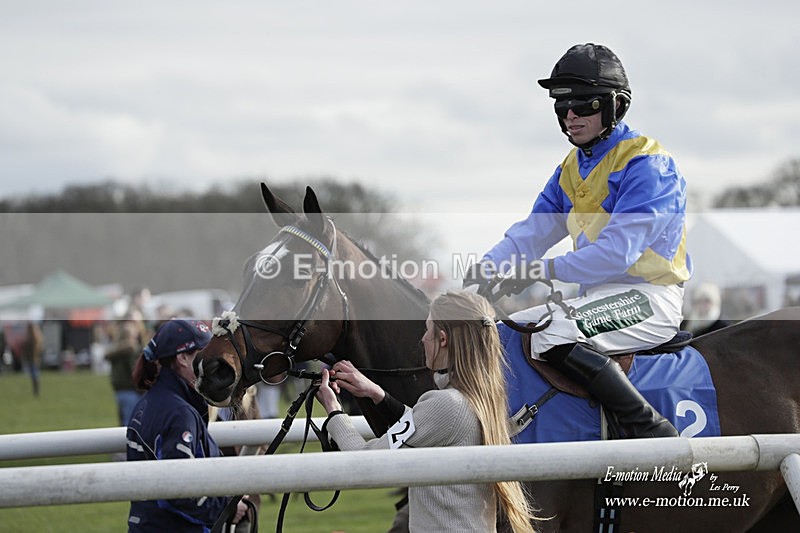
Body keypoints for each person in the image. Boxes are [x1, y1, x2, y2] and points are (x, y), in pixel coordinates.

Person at [463, 43, 691, 439]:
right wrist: (486, 268)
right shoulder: (570, 168)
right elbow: (532, 233)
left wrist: (539, 270)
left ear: (616, 105)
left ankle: (649, 430)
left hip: (649, 298)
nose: (570, 115)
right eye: (562, 105)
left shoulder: (648, 164)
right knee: (505, 333)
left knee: (552, 332)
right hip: (595, 298)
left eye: (584, 104)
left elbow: (616, 255)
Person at [316, 290, 538, 533]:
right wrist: (377, 394)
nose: (422, 339)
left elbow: (364, 463)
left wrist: (334, 411)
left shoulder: (446, 404)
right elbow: (426, 429)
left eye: (427, 329)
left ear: (442, 339)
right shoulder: (482, 396)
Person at [126, 318, 248, 532]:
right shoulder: (179, 413)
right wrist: (226, 508)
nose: (212, 360)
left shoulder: (149, 402)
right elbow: (177, 491)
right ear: (182, 358)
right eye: (204, 353)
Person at [105, 313, 146, 427]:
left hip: (119, 391)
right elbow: (134, 372)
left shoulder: (115, 351)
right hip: (131, 391)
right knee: (132, 423)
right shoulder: (131, 351)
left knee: (124, 421)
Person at [21, 322, 43, 397]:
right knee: (34, 374)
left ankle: (36, 389)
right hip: (33, 359)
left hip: (33, 360)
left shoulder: (33, 339)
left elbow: (34, 350)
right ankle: (36, 389)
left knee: (34, 374)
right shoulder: (36, 337)